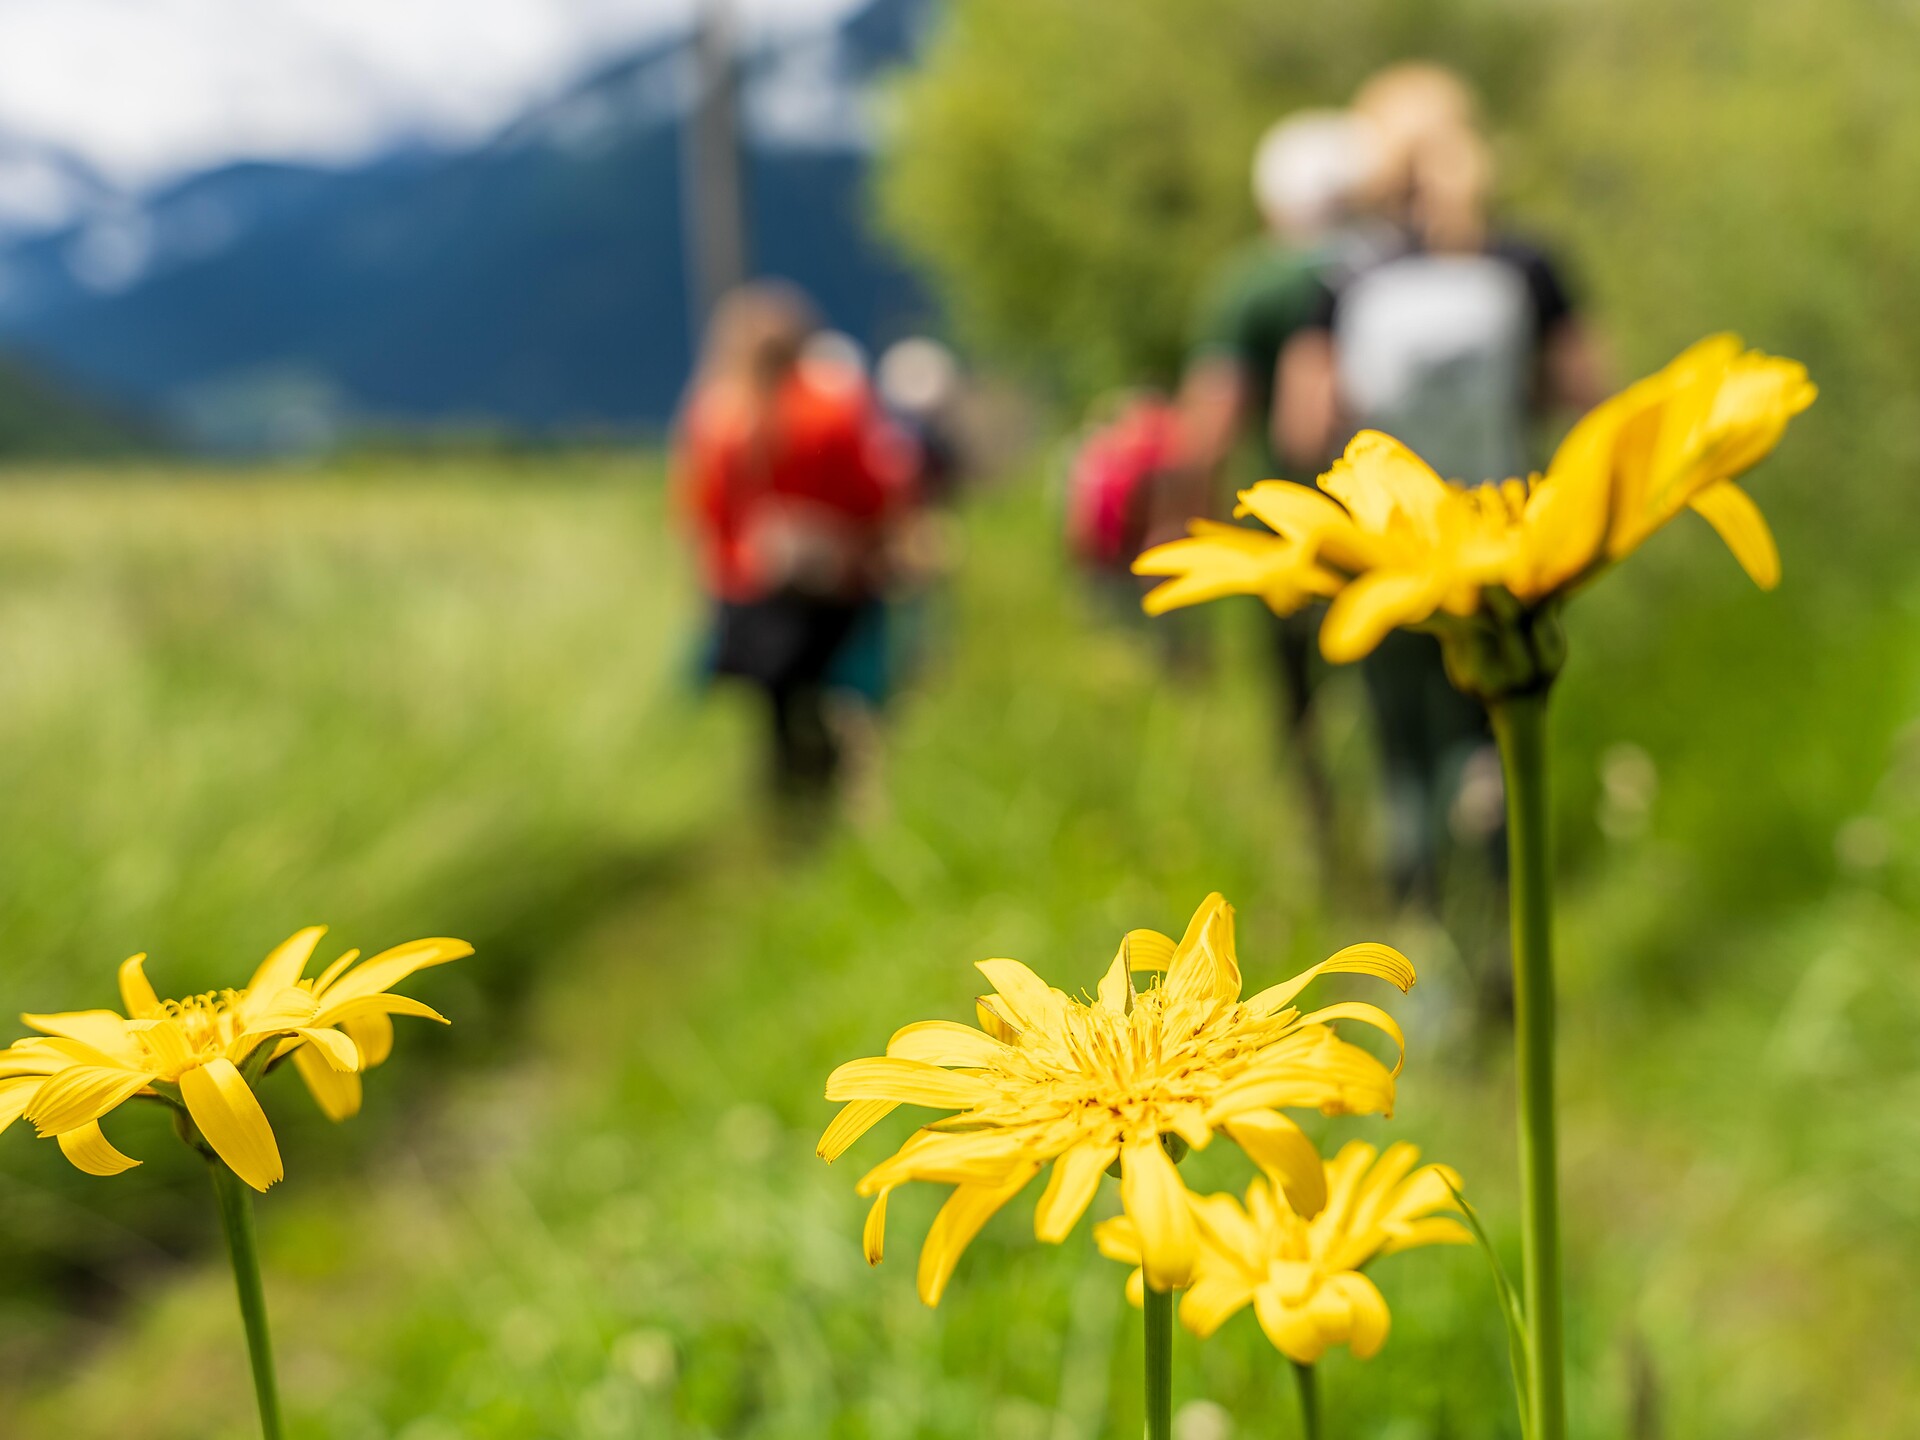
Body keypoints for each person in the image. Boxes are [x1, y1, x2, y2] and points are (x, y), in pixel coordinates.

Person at [1278, 64, 1604, 900]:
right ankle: (1506, 928)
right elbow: (1594, 399)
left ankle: (1423, 937)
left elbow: (1301, 426)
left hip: (1387, 556)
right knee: (1496, 737)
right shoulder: (1529, 263)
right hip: (1512, 550)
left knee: (1402, 750)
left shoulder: (1346, 276)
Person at [1144, 107, 1390, 840]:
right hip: (1418, 525)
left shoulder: (1250, 284)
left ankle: (1330, 849)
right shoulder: (1397, 260)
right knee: (1399, 707)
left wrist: (1180, 530)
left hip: (1296, 532)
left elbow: (1210, 429)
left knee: (1306, 712)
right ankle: (1426, 863)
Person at [674, 282, 915, 802]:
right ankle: (839, 802)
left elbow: (702, 513)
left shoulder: (715, 418)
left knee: (776, 708)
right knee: (842, 695)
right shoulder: (833, 410)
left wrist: (721, 581)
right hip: (835, 584)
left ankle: (788, 809)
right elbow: (873, 492)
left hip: (752, 586)